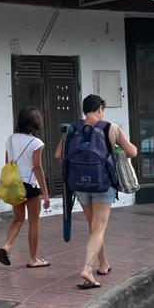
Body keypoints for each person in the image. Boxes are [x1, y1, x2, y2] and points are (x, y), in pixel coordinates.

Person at [55, 94, 138, 289]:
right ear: (100, 108)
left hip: (80, 185)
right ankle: (87, 268)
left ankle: (103, 264)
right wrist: (118, 142)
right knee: (99, 228)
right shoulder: (110, 128)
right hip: (103, 184)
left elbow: (59, 155)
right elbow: (132, 152)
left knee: (94, 228)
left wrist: (66, 136)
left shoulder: (72, 128)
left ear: (85, 110)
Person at [0, 107, 51, 268]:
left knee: (18, 219)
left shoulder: (11, 139)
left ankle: (6, 246)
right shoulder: (36, 143)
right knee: (34, 222)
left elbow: (8, 162)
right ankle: (33, 259)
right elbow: (37, 168)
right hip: (30, 186)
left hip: (14, 184)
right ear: (36, 123)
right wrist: (45, 193)